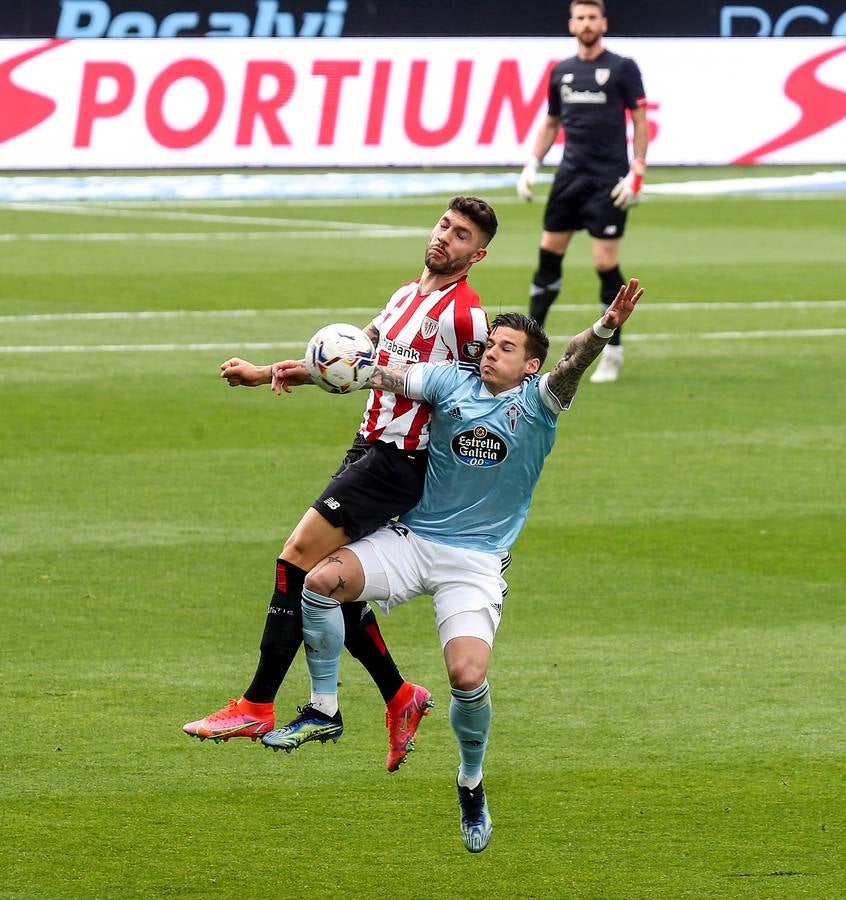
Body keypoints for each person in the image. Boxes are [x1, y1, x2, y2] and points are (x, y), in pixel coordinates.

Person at [260, 279, 644, 852]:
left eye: (507, 347)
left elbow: (573, 361)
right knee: (319, 581)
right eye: (491, 343)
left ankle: (470, 782)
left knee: (467, 677)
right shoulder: (449, 381)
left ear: (530, 363)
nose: (491, 351)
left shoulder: (540, 401)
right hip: (414, 541)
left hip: (474, 563)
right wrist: (320, 365)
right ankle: (325, 708)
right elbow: (377, 373)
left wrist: (607, 327)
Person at [182, 196, 497, 773]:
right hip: (367, 448)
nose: (445, 238)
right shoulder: (405, 295)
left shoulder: (466, 316)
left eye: (461, 236)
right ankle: (402, 697)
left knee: (295, 559)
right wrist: (269, 372)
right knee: (329, 585)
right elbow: (350, 359)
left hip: (400, 461)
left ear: (476, 254)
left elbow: (477, 396)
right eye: (444, 225)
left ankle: (257, 704)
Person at [517, 0, 648, 383]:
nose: (587, 23)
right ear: (571, 23)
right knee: (547, 259)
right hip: (569, 179)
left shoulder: (623, 68)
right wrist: (532, 163)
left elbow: (640, 120)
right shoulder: (562, 71)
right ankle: (528, 347)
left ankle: (614, 350)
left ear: (603, 23)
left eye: (593, 17)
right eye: (581, 17)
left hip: (607, 180)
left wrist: (638, 167)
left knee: (605, 264)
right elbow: (552, 121)